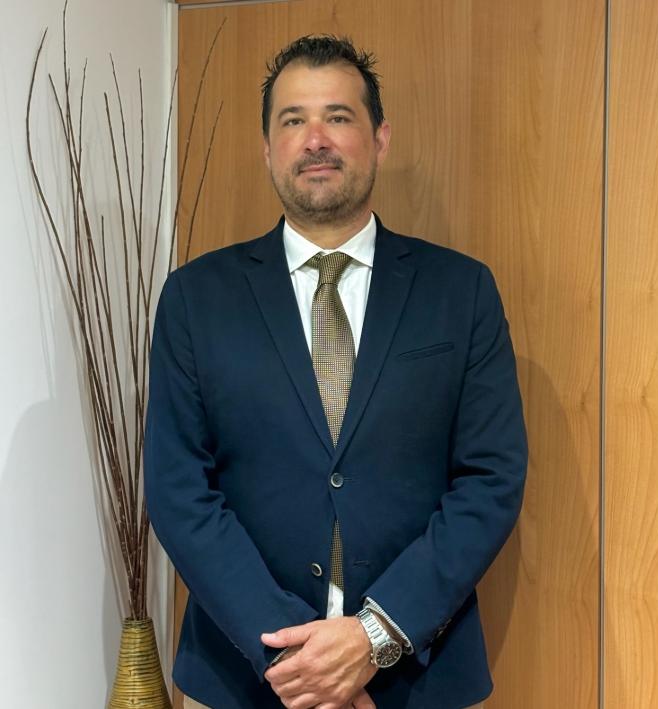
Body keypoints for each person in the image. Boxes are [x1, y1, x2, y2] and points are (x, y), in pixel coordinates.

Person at [144, 35, 527, 709]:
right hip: (245, 676)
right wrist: (298, 658)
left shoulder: (460, 292)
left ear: (380, 138)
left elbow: (490, 478)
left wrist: (376, 636)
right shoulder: (195, 298)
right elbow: (179, 491)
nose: (315, 139)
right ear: (268, 148)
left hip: (417, 678)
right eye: (293, 120)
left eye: (338, 117)